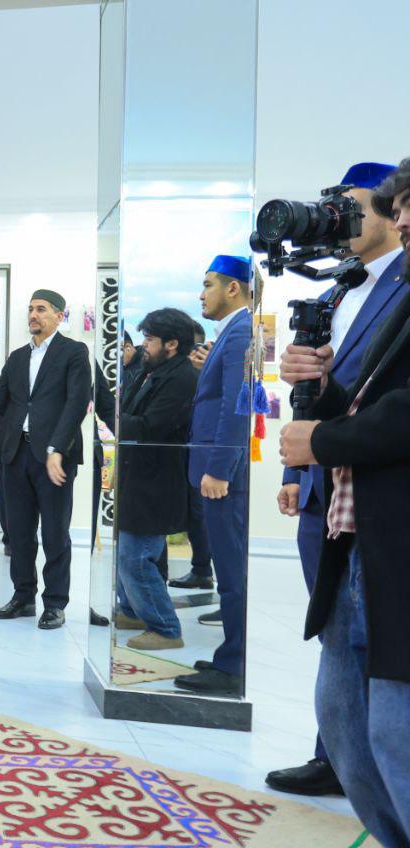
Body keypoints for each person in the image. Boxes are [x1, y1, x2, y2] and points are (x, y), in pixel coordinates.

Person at [277, 158, 410, 848]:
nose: (399, 218)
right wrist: (322, 388)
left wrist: (323, 438)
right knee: (346, 721)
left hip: (394, 532)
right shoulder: (351, 289)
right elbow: (368, 398)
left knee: (393, 728)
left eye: (402, 205)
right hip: (349, 525)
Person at [0, 289, 91, 630]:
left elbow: (76, 404)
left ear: (59, 315)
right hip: (15, 454)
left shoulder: (74, 352)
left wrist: (57, 448)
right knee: (19, 533)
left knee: (55, 533)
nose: (33, 315)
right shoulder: (17, 357)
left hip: (55, 457)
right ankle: (23, 597)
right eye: (30, 309)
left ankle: (55, 603)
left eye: (41, 309)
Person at [173, 255, 252, 695]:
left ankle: (233, 665)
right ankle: (229, 656)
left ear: (232, 288)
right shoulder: (232, 331)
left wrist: (219, 468)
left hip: (223, 473)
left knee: (231, 570)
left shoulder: (240, 330)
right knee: (227, 566)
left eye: (208, 285)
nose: (201, 295)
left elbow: (237, 406)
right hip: (215, 467)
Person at [112, 309, 199, 650]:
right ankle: (132, 611)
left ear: (171, 344)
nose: (143, 346)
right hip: (138, 478)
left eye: (149, 339)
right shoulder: (153, 372)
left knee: (136, 558)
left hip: (156, 482)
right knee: (128, 552)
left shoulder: (181, 379)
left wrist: (111, 414)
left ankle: (165, 628)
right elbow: (131, 414)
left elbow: (150, 427)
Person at [166, 322, 215, 589]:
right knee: (191, 513)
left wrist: (204, 369)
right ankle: (200, 569)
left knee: (200, 512)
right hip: (175, 449)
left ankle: (203, 570)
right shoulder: (173, 371)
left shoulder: (209, 369)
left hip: (201, 451)